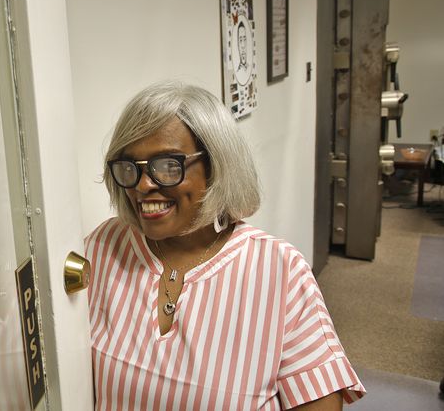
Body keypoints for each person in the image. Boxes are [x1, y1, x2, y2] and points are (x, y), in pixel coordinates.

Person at [85, 81, 365, 410]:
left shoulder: (280, 270)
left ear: (216, 166)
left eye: (168, 166)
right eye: (130, 167)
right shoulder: (102, 248)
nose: (144, 185)